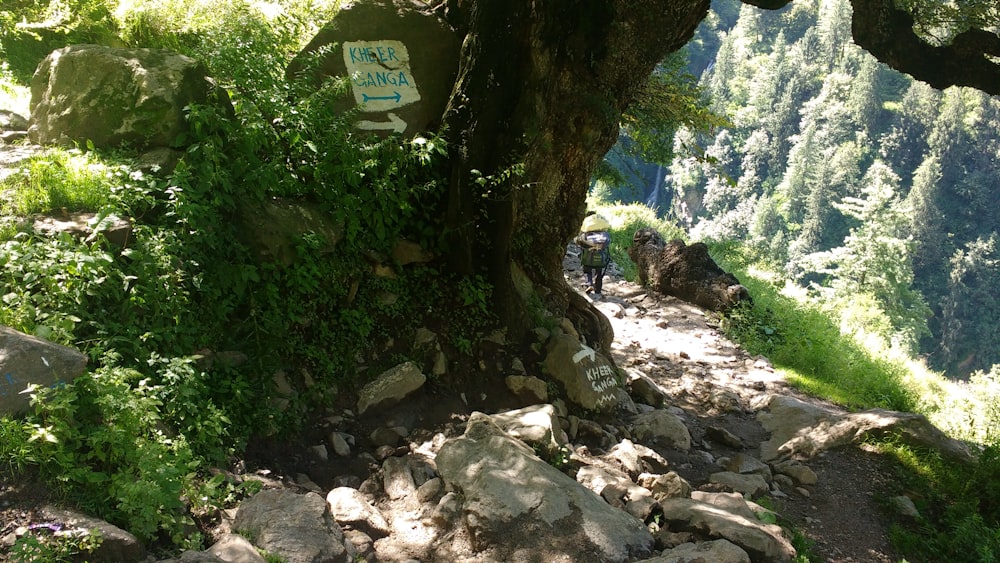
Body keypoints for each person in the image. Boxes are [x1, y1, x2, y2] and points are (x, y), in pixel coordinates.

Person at [575, 213, 611, 298]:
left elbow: (579, 242)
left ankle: (589, 284)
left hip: (588, 258)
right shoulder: (604, 234)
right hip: (600, 260)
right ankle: (598, 290)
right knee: (599, 274)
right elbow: (608, 244)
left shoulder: (585, 235)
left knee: (587, 271)